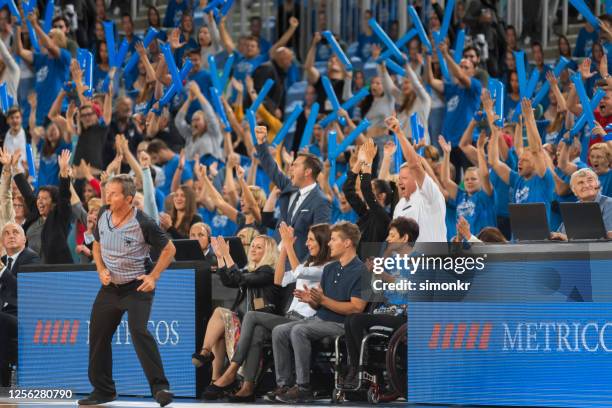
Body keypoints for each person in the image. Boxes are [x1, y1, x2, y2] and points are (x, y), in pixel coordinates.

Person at [204, 223, 332, 402]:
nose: (306, 243)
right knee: (256, 331)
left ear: (322, 242)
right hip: (289, 318)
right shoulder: (307, 263)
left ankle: (232, 370)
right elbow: (280, 279)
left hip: (306, 320)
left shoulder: (328, 268)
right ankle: (248, 387)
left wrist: (287, 244)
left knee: (252, 316)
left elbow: (297, 272)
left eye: (311, 239)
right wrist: (285, 252)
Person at [78, 174, 176, 407]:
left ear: (129, 198)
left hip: (137, 287)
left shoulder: (143, 222)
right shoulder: (102, 214)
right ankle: (103, 391)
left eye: (113, 193)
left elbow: (169, 249)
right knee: (98, 336)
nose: (107, 196)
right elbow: (98, 246)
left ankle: (160, 388)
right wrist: (100, 269)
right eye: (107, 192)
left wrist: (154, 276)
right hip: (110, 288)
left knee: (138, 330)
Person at [272, 222, 367, 404]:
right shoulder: (330, 269)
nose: (329, 243)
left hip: (341, 324)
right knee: (279, 331)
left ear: (347, 243)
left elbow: (356, 308)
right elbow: (321, 303)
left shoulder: (362, 271)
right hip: (319, 318)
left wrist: (322, 300)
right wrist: (312, 300)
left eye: (333, 239)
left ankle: (304, 387)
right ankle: (285, 384)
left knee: (298, 330)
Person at [194, 235, 278, 395]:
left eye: (259, 247)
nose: (253, 249)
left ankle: (205, 353)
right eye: (252, 245)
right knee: (219, 328)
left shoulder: (268, 272)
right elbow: (229, 281)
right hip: (244, 319)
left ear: (269, 252)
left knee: (220, 313)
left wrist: (227, 255)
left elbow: (238, 278)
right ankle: (215, 377)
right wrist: (220, 257)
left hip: (258, 321)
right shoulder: (252, 271)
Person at [341, 217, 417, 388]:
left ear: (405, 238)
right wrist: (372, 273)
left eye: (392, 235)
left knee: (357, 320)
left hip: (404, 315)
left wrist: (383, 274)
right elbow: (375, 290)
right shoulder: (392, 261)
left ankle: (362, 368)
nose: (388, 239)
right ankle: (356, 368)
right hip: (387, 310)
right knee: (351, 319)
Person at [254, 125, 331, 260]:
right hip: (275, 262)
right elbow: (272, 169)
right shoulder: (290, 187)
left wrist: (302, 269)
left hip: (296, 267)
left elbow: (321, 242)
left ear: (307, 172)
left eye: (295, 165)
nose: (290, 169)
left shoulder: (321, 201)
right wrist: (261, 143)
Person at [489, 99, 555, 222]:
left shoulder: (544, 179)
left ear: (536, 163)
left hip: (537, 237)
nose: (520, 162)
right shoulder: (517, 179)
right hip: (517, 238)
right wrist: (495, 133)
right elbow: (494, 162)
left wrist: (529, 118)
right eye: (520, 159)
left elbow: (537, 150)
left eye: (525, 160)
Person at [426, 41, 483, 180]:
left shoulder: (475, 86)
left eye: (466, 67)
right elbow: (431, 81)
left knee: (471, 178)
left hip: (466, 142)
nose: (462, 69)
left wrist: (445, 54)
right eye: (461, 66)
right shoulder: (452, 89)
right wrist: (427, 59)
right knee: (451, 181)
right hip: (449, 144)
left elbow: (461, 76)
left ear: (473, 71)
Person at [387, 116, 447, 242]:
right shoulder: (399, 205)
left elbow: (414, 166)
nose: (399, 182)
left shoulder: (429, 195)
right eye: (399, 178)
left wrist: (399, 133)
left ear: (416, 179)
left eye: (403, 178)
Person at [13, 150, 73, 263]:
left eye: (45, 198)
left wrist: (64, 173)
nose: (40, 201)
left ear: (54, 203)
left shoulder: (59, 217)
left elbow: (64, 197)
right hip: (30, 268)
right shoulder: (35, 213)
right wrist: (15, 167)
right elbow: (27, 192)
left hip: (55, 271)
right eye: (39, 198)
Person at [0, 222, 39, 386]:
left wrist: (2, 271)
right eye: (6, 233)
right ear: (2, 241)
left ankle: (3, 381)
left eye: (15, 232)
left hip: (21, 316)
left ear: (25, 239)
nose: (11, 235)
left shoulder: (31, 258)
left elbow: (24, 291)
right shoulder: (2, 260)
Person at [551, 168, 612, 240]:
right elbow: (561, 233)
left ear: (597, 185)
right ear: (574, 190)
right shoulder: (572, 209)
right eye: (580, 183)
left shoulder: (609, 204)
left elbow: (607, 236)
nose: (586, 185)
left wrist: (568, 238)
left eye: (590, 181)